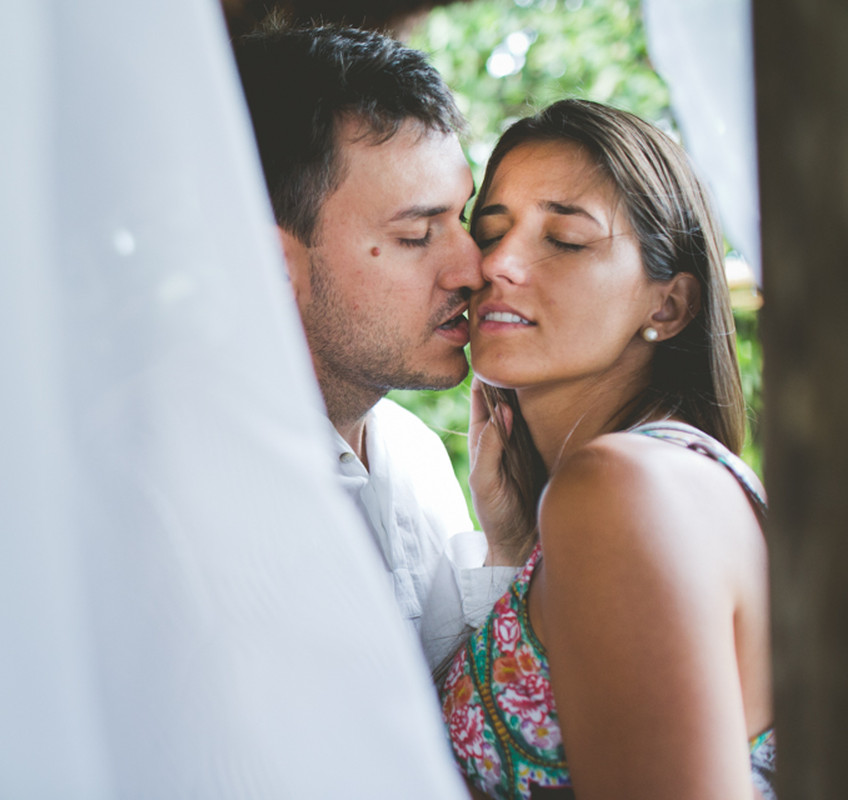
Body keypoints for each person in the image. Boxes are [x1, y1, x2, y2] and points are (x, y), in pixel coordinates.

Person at [440, 99, 774, 799]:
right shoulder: (647, 486)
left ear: (668, 306)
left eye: (563, 239)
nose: (498, 263)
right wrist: (513, 548)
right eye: (489, 231)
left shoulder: (622, 488)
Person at [234, 23, 516, 665]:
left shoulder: (417, 457)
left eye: (463, 220)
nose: (473, 270)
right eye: (418, 234)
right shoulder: (177, 498)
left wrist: (508, 545)